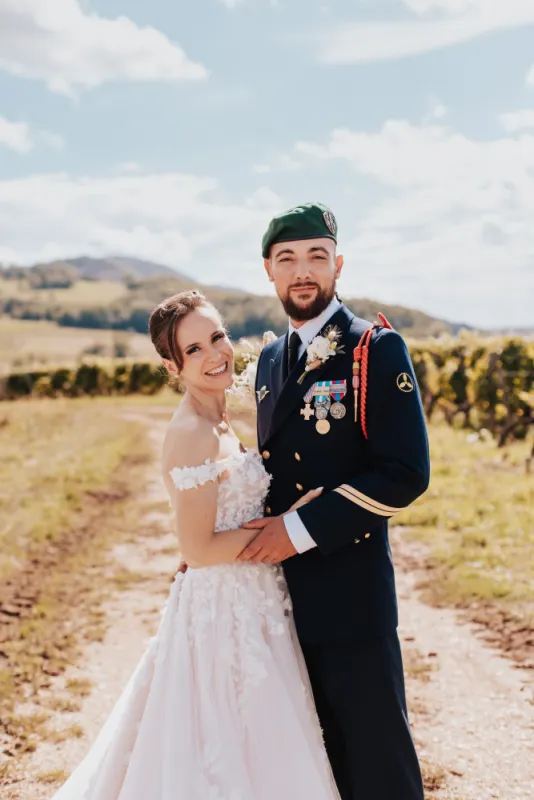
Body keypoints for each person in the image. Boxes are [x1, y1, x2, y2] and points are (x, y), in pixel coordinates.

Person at [51, 289, 340, 800]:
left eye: (217, 337)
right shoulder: (191, 434)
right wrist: (283, 529)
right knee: (224, 745)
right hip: (222, 614)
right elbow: (200, 550)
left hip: (255, 601)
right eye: (194, 350)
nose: (214, 355)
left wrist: (282, 517)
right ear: (172, 365)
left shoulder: (223, 420)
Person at [240, 202, 431, 800]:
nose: (303, 271)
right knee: (310, 762)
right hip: (278, 599)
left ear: (337, 265)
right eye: (288, 259)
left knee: (376, 762)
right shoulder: (270, 360)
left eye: (316, 257)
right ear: (268, 271)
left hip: (351, 594)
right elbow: (275, 468)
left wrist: (298, 531)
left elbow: (404, 472)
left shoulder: (374, 348)